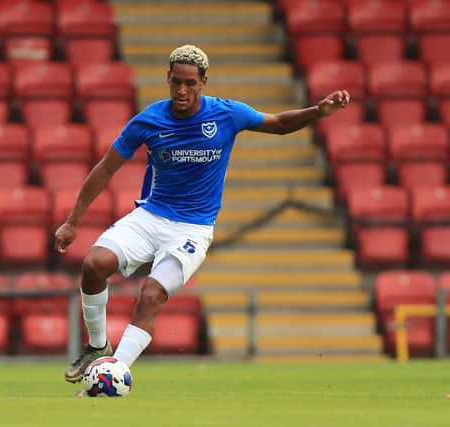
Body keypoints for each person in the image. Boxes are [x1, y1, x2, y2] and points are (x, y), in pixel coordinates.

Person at [55, 44, 350, 383]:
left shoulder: (227, 114)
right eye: (176, 82)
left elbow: (279, 124)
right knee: (94, 263)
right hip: (150, 216)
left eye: (190, 83)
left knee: (151, 295)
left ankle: (114, 372)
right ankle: (97, 346)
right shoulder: (148, 120)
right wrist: (73, 221)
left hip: (192, 229)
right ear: (167, 78)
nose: (182, 90)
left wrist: (319, 111)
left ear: (204, 82)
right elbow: (106, 169)